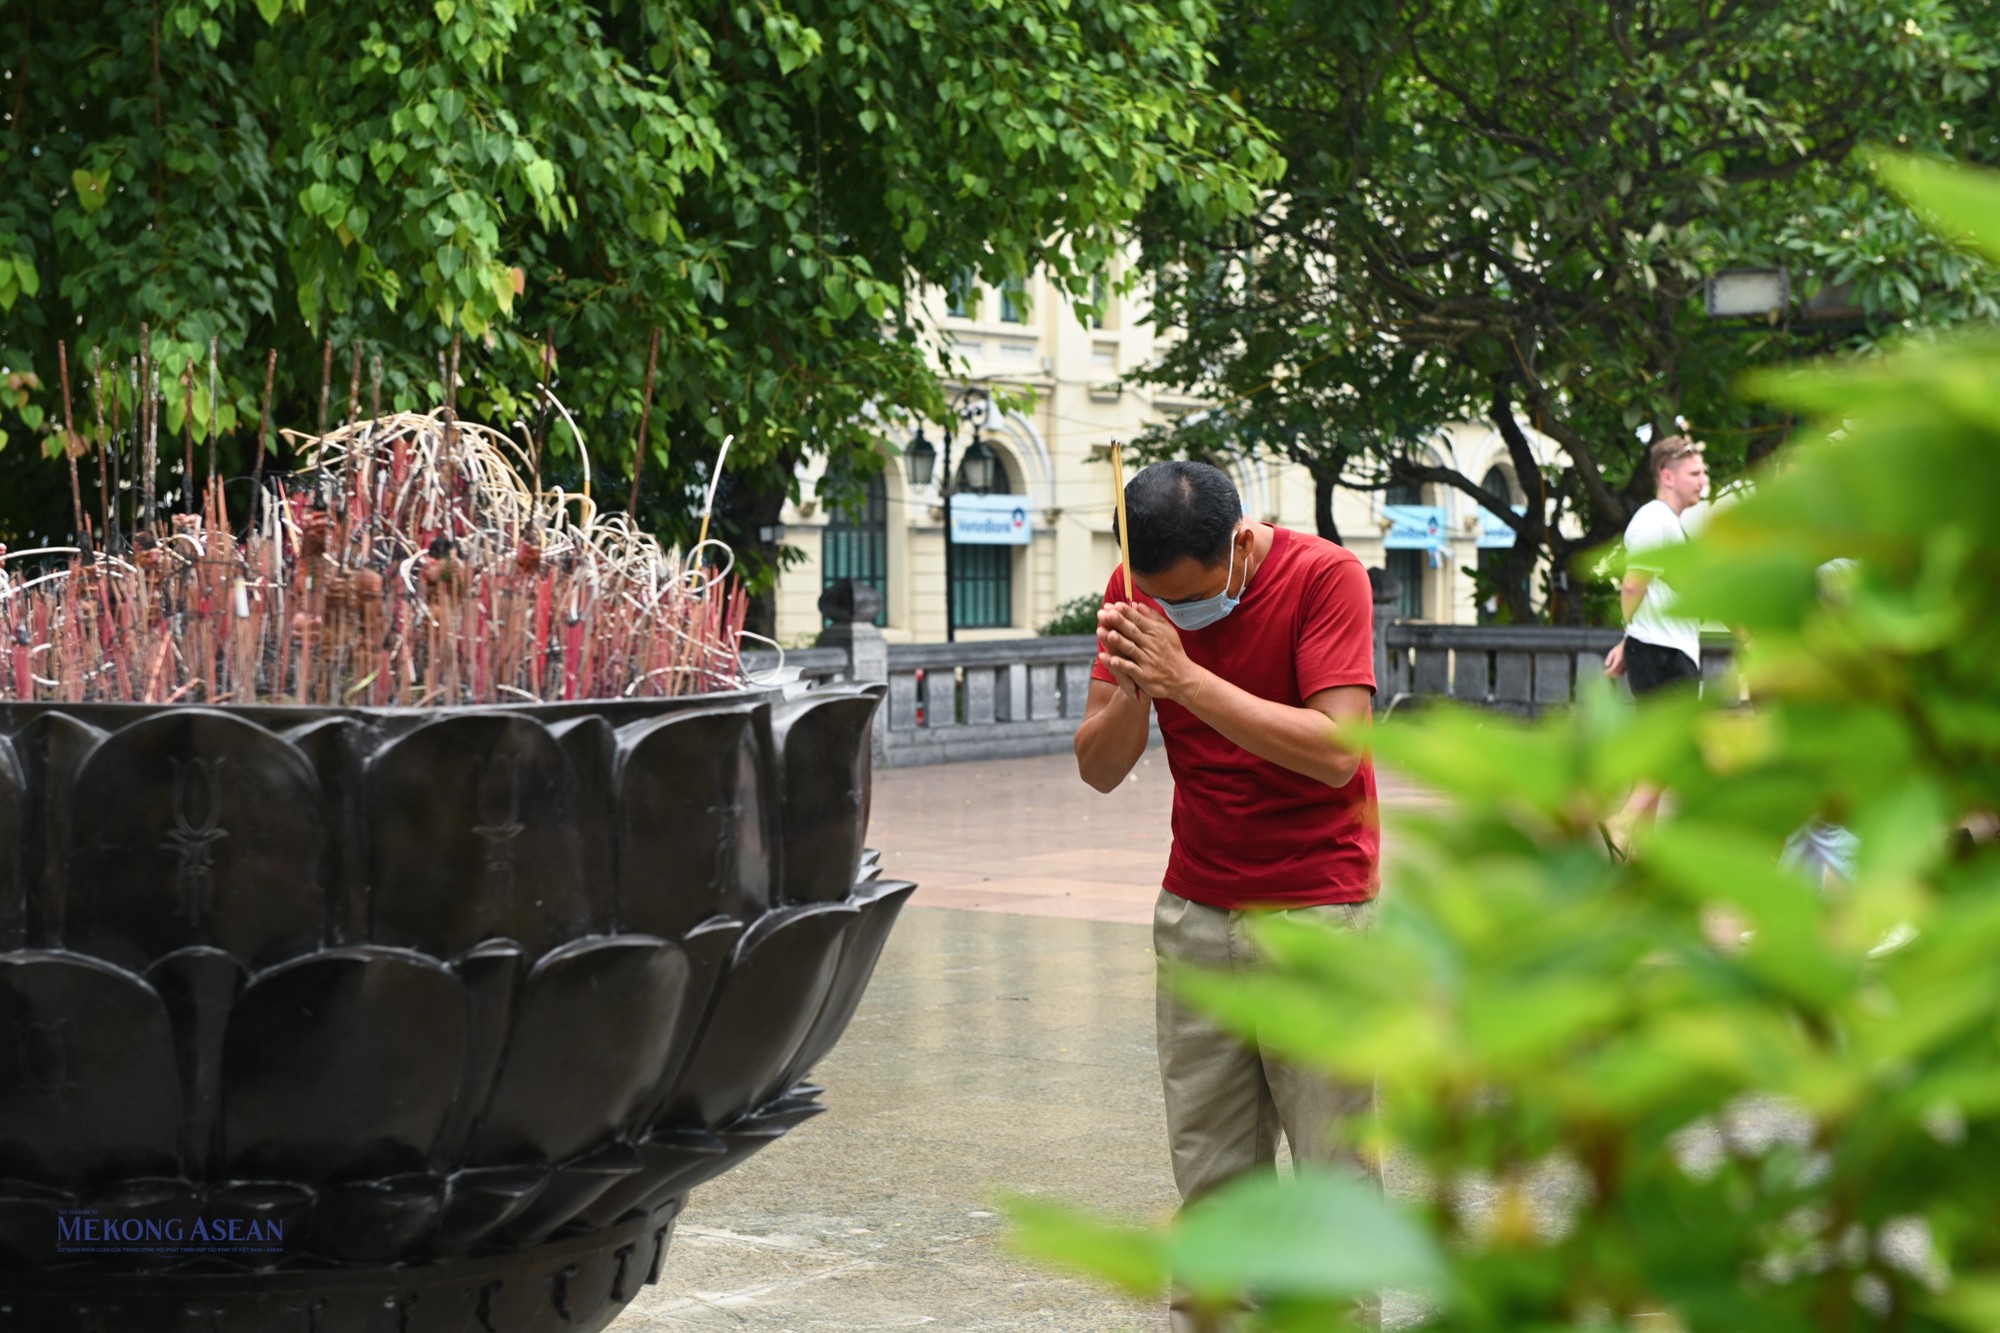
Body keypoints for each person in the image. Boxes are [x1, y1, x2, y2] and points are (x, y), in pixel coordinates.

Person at [1073, 461, 1378, 1331]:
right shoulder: (1138, 589)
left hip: (1318, 911)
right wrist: (1136, 688)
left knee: (1333, 1177)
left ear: (1241, 544)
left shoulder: (1326, 578)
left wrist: (1185, 677)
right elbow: (1097, 769)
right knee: (1209, 1179)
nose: (1181, 612)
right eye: (1164, 599)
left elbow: (1335, 752)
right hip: (1197, 911)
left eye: (1197, 598)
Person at [1602, 434, 1709, 852]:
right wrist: (1633, 637)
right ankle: (1624, 822)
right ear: (1667, 475)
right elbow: (1633, 586)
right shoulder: (1654, 519)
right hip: (1665, 653)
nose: (1703, 481)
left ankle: (1634, 851)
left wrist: (1629, 640)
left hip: (1663, 649)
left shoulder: (1668, 524)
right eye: (1695, 473)